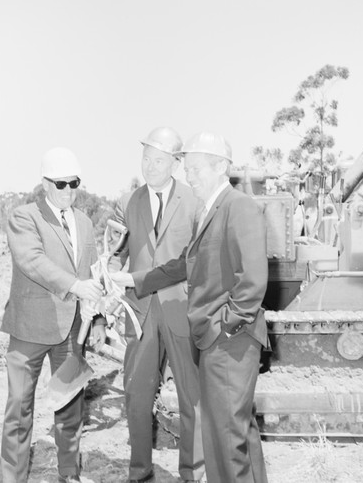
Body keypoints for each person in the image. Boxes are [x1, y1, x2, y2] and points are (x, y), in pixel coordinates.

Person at [112, 131, 269, 483]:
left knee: (225, 437)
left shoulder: (238, 206)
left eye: (195, 167)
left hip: (228, 338)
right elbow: (185, 263)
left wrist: (223, 326)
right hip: (216, 336)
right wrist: (134, 281)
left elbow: (253, 280)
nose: (188, 174)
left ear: (220, 167)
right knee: (237, 432)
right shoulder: (211, 210)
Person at [0, 146, 106, 483]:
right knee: (20, 408)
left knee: (70, 406)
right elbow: (32, 262)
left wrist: (99, 318)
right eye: (61, 184)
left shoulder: (86, 223)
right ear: (45, 184)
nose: (69, 191)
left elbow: (92, 274)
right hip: (30, 329)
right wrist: (75, 286)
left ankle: (68, 474)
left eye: (74, 183)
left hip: (73, 331)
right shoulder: (24, 217)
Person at [113, 127, 205, 483]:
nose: (151, 167)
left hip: (181, 310)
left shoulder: (194, 201)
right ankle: (140, 471)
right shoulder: (127, 202)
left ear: (176, 163)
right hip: (139, 313)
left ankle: (193, 472)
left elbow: (195, 259)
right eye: (146, 159)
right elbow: (116, 254)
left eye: (159, 160)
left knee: (190, 394)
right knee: (137, 393)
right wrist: (107, 279)